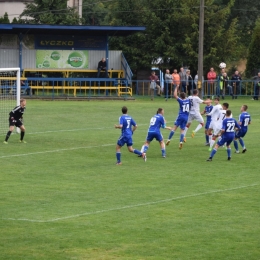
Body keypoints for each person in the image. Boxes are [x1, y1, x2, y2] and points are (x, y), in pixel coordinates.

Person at [165, 85, 190, 149]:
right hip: (186, 117)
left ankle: (168, 139)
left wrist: (176, 88)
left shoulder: (181, 101)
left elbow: (175, 95)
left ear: (181, 97)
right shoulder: (188, 100)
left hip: (180, 116)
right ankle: (181, 142)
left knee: (174, 128)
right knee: (182, 130)